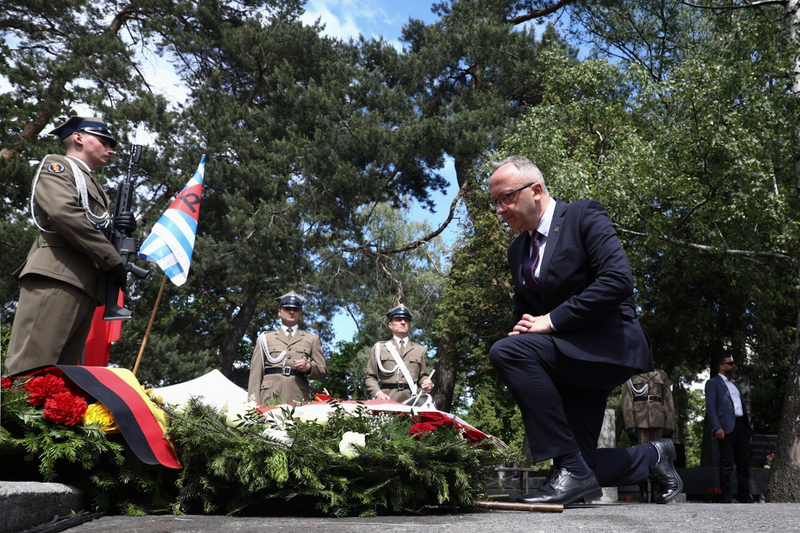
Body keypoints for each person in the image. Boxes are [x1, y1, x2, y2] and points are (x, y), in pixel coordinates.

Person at [486, 155, 682, 505]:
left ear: (536, 190)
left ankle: (573, 471)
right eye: (495, 202)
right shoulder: (518, 249)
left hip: (607, 346)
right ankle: (654, 456)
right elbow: (526, 310)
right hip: (565, 355)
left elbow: (618, 280)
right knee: (579, 464)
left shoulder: (582, 215)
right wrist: (523, 330)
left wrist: (551, 321)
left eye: (506, 198)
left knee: (505, 352)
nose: (500, 209)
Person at [5, 116, 135, 376]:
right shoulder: (57, 166)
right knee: (29, 372)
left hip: (84, 286)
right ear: (78, 137)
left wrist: (119, 229)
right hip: (57, 278)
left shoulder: (95, 186)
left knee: (59, 381)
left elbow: (90, 225)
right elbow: (63, 213)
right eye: (105, 141)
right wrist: (112, 259)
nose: (111, 150)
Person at [248, 291, 328, 404]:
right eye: (287, 309)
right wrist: (253, 403)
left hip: (298, 397)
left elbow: (323, 371)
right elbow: (256, 375)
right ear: (279, 312)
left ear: (301, 313)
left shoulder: (311, 339)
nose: (291, 312)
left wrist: (309, 368)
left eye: (296, 309)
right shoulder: (265, 338)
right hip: (269, 396)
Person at [621, 369, 676, 502]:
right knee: (641, 458)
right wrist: (630, 425)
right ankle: (643, 492)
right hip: (640, 421)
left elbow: (668, 400)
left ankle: (656, 491)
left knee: (659, 457)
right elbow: (627, 401)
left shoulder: (661, 374)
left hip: (659, 419)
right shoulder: (630, 375)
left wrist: (669, 424)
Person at [705, 356, 753, 503]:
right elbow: (711, 407)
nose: (733, 366)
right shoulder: (713, 383)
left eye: (734, 363)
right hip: (725, 427)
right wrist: (717, 427)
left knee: (743, 462)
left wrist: (748, 430)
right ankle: (726, 495)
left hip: (741, 426)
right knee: (726, 462)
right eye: (730, 363)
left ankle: (744, 494)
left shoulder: (735, 385)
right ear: (721, 366)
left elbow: (743, 408)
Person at [365, 304, 433, 402]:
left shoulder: (420, 350)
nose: (403, 322)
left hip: (412, 401)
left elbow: (422, 376)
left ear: (409, 326)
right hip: (386, 400)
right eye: (398, 320)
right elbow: (370, 376)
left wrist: (427, 382)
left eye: (406, 320)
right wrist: (378, 393)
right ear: (390, 325)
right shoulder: (379, 348)